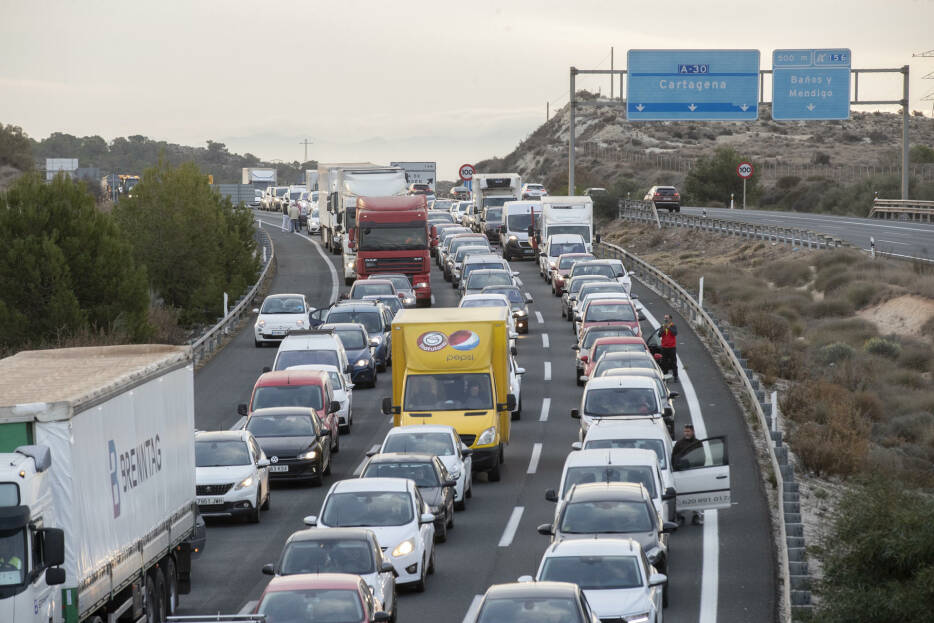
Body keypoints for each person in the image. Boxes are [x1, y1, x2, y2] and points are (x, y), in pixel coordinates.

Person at [672, 425, 703, 525]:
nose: (686, 433)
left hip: (695, 472)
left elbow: (702, 457)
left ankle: (697, 515)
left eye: (688, 431)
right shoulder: (679, 444)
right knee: (682, 495)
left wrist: (697, 468)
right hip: (682, 474)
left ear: (693, 432)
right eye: (685, 431)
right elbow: (674, 459)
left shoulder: (698, 443)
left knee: (696, 495)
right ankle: (680, 516)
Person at [657, 314, 679, 382]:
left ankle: (675, 376)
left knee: (673, 362)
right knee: (664, 363)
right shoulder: (663, 326)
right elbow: (659, 335)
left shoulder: (673, 326)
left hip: (672, 347)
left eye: (667, 318)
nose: (665, 319)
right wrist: (663, 329)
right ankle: (666, 376)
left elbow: (675, 333)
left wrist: (669, 327)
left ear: (670, 319)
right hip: (664, 347)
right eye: (665, 318)